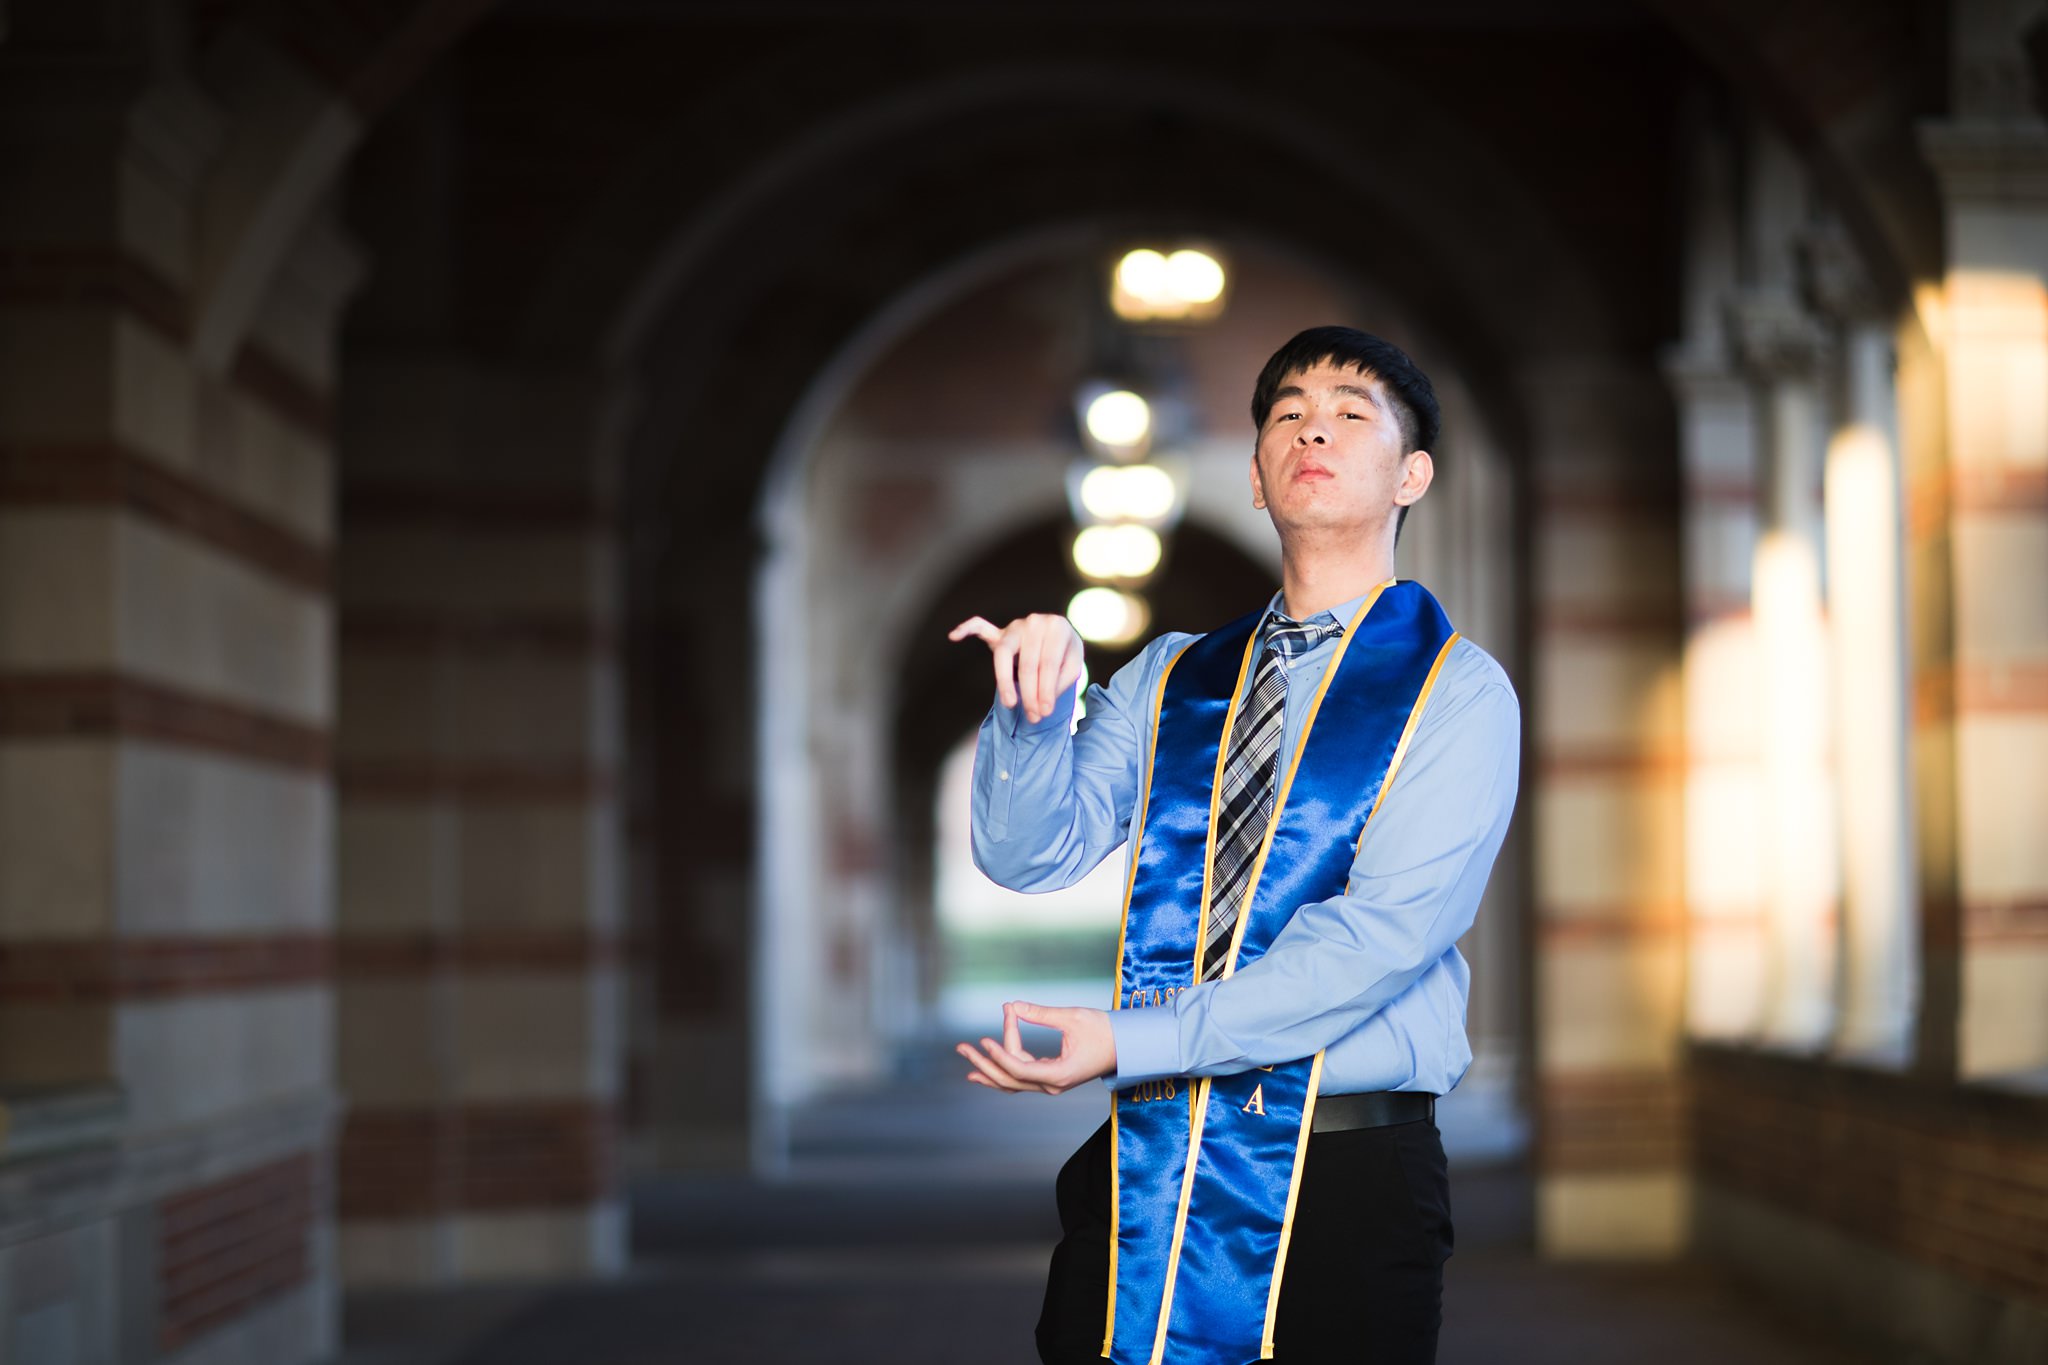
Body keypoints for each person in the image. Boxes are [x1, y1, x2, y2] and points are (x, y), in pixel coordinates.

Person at [948, 326, 1520, 1365]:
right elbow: (1028, 852)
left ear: (1412, 474)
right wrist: (1033, 715)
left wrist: (1131, 1040)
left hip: (1341, 1173)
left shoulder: (1454, 691)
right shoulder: (1171, 677)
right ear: (1256, 475)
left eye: (1351, 414)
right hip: (1158, 1153)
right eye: (1285, 413)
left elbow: (1376, 941)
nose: (1313, 428)